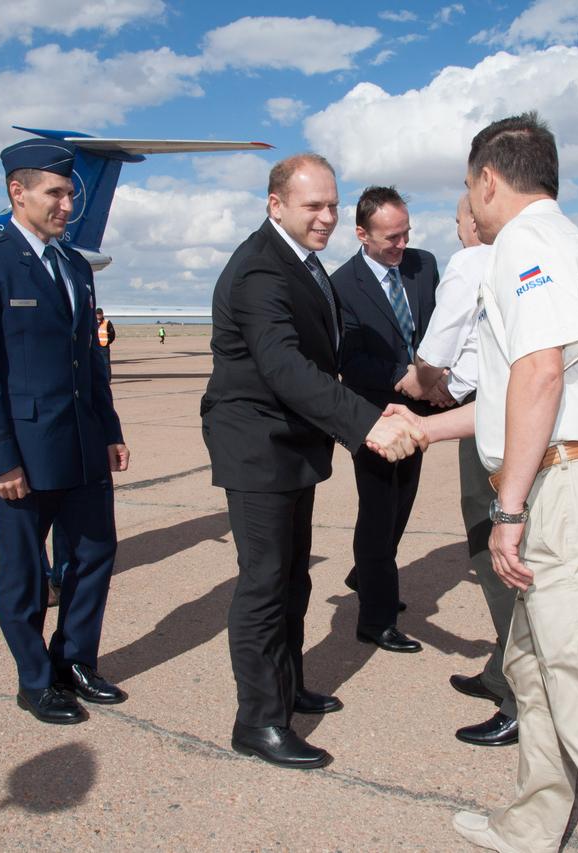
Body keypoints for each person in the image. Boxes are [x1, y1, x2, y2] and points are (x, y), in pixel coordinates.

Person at [392, 113, 578, 853]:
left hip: (567, 491)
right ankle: (533, 825)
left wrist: (508, 507)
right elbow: (513, 397)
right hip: (573, 474)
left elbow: (540, 376)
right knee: (531, 666)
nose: (472, 199)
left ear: (487, 179)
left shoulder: (525, 243)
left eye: (470, 186)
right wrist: (425, 427)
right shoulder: (563, 239)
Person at [200, 153, 425, 769]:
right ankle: (258, 721)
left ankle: (286, 686)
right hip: (257, 449)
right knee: (265, 585)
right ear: (276, 205)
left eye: (332, 204)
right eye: (313, 206)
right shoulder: (258, 271)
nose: (327, 216)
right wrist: (368, 423)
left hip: (291, 445)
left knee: (293, 578)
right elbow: (284, 367)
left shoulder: (303, 262)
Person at [0, 138, 131, 726]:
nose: (67, 204)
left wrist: (109, 429)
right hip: (23, 452)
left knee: (94, 555)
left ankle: (75, 660)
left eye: (70, 192)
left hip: (82, 443)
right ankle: (34, 680)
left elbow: (89, 358)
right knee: (24, 572)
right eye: (55, 192)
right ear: (16, 192)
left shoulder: (74, 264)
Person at [395, 194, 518, 747]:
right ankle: (502, 670)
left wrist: (420, 385)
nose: (458, 230)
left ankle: (521, 694)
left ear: (473, 220)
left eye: (458, 221)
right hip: (519, 419)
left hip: (494, 427)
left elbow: (438, 351)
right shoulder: (527, 260)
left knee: (494, 553)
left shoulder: (474, 259)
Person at [331, 186, 439, 654]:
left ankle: (367, 573)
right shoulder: (340, 286)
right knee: (378, 510)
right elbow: (348, 360)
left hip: (420, 409)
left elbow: (438, 327)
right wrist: (404, 377)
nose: (401, 245)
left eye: (406, 234)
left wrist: (433, 380)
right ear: (361, 234)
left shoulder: (423, 265)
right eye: (391, 238)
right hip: (372, 413)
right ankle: (374, 620)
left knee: (402, 502)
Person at [94, 307, 115, 379]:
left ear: (102, 314)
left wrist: (108, 342)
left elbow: (112, 335)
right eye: (97, 314)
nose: (98, 315)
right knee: (96, 363)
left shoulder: (107, 322)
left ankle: (107, 379)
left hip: (104, 347)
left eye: (100, 314)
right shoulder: (92, 322)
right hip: (96, 346)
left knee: (106, 363)